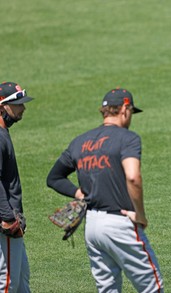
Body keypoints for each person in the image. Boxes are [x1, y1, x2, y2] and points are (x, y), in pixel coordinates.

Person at [46, 88, 163, 292]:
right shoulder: (127, 138)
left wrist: (80, 194)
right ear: (125, 109)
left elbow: (54, 177)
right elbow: (133, 177)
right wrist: (141, 215)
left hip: (92, 226)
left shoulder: (80, 142)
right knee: (153, 288)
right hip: (120, 224)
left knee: (107, 290)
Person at [0, 81, 33, 292]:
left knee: (21, 281)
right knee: (7, 283)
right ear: (2, 106)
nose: (23, 108)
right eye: (18, 104)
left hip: (11, 219)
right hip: (6, 222)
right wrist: (8, 217)